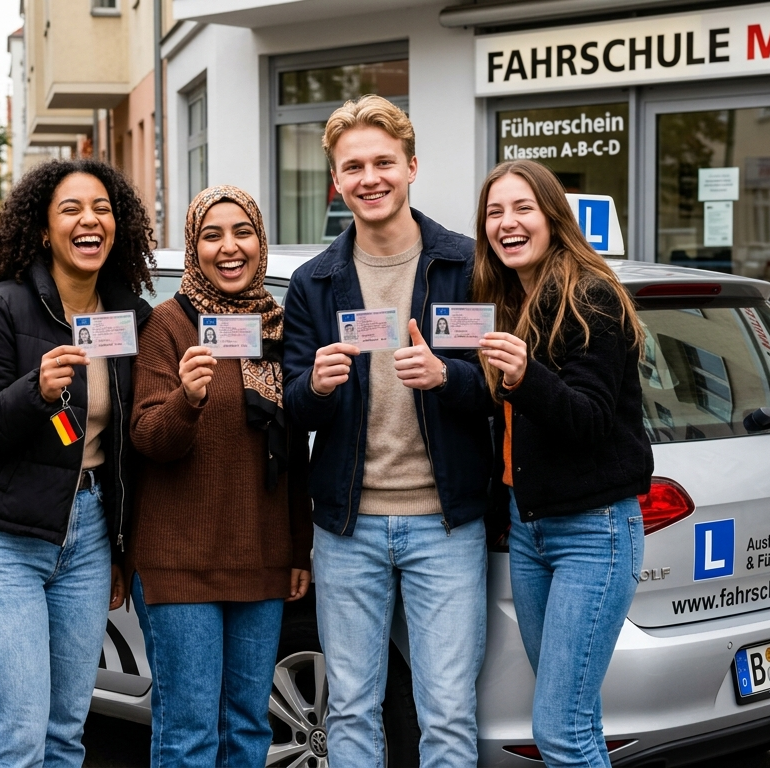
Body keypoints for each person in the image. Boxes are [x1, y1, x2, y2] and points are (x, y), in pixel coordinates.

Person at [282, 94, 494, 765]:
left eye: (382, 162)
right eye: (354, 167)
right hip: (347, 527)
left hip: (447, 524)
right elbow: (292, 408)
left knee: (449, 712)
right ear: (337, 182)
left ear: (411, 167)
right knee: (348, 708)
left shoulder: (465, 266)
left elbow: (496, 387)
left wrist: (446, 377)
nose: (369, 178)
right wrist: (315, 387)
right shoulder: (315, 283)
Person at [0, 159, 155, 768]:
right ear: (42, 230)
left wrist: (116, 546)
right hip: (0, 539)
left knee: (66, 733)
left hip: (86, 538)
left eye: (102, 209)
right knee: (18, 736)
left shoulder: (128, 317)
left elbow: (121, 451)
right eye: (71, 209)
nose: (89, 220)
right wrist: (34, 392)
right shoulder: (3, 308)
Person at [473, 159, 652, 768]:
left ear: (552, 217)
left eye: (522, 208)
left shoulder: (589, 297)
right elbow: (510, 434)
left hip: (592, 532)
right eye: (495, 212)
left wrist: (526, 376)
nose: (508, 223)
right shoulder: (509, 300)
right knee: (577, 717)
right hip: (531, 532)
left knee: (560, 729)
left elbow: (591, 419)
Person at [128, 185, 313, 767]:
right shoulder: (169, 325)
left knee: (247, 730)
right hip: (180, 562)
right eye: (212, 235)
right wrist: (186, 398)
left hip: (260, 555)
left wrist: (298, 549)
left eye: (242, 232)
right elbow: (150, 439)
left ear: (259, 241)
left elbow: (293, 452)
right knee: (189, 734)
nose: (228, 247)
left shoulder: (278, 329)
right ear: (193, 246)